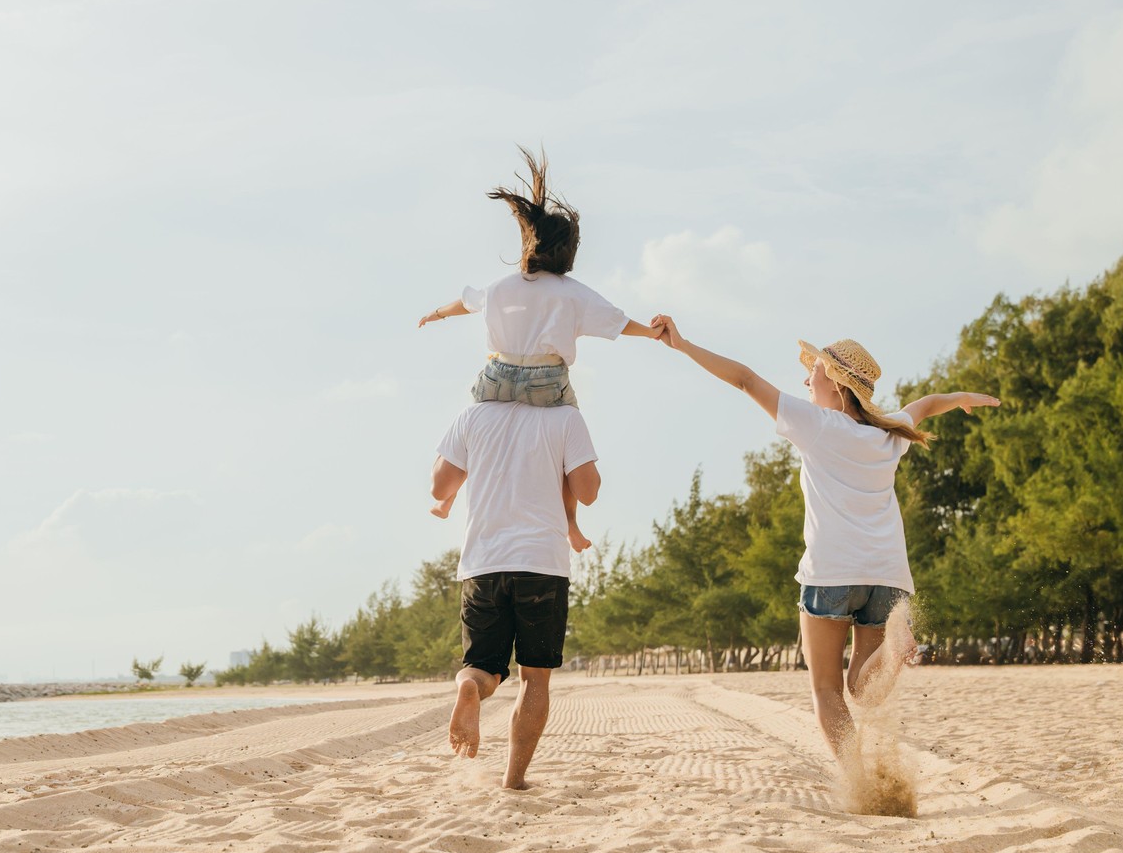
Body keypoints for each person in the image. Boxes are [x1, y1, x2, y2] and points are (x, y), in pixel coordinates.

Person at [650, 314, 998, 774]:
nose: (805, 376)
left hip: (833, 572)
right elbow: (928, 404)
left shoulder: (816, 425)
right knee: (862, 686)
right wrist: (962, 399)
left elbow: (744, 379)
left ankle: (857, 779)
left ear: (835, 383)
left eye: (813, 369)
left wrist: (684, 344)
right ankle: (894, 649)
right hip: (888, 578)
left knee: (826, 691)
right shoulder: (888, 433)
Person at [419, 148, 660, 552]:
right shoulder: (572, 294)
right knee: (570, 446)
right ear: (568, 252)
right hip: (547, 382)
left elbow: (466, 301)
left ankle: (446, 500)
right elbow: (619, 322)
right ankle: (570, 524)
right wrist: (654, 334)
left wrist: (438, 314)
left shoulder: (501, 287)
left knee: (467, 436)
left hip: (497, 377)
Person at [431, 395, 601, 789]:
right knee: (534, 679)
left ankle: (471, 686)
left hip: (484, 564)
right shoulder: (565, 417)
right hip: (541, 565)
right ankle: (514, 779)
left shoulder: (472, 416)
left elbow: (440, 485)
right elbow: (588, 491)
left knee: (484, 666)